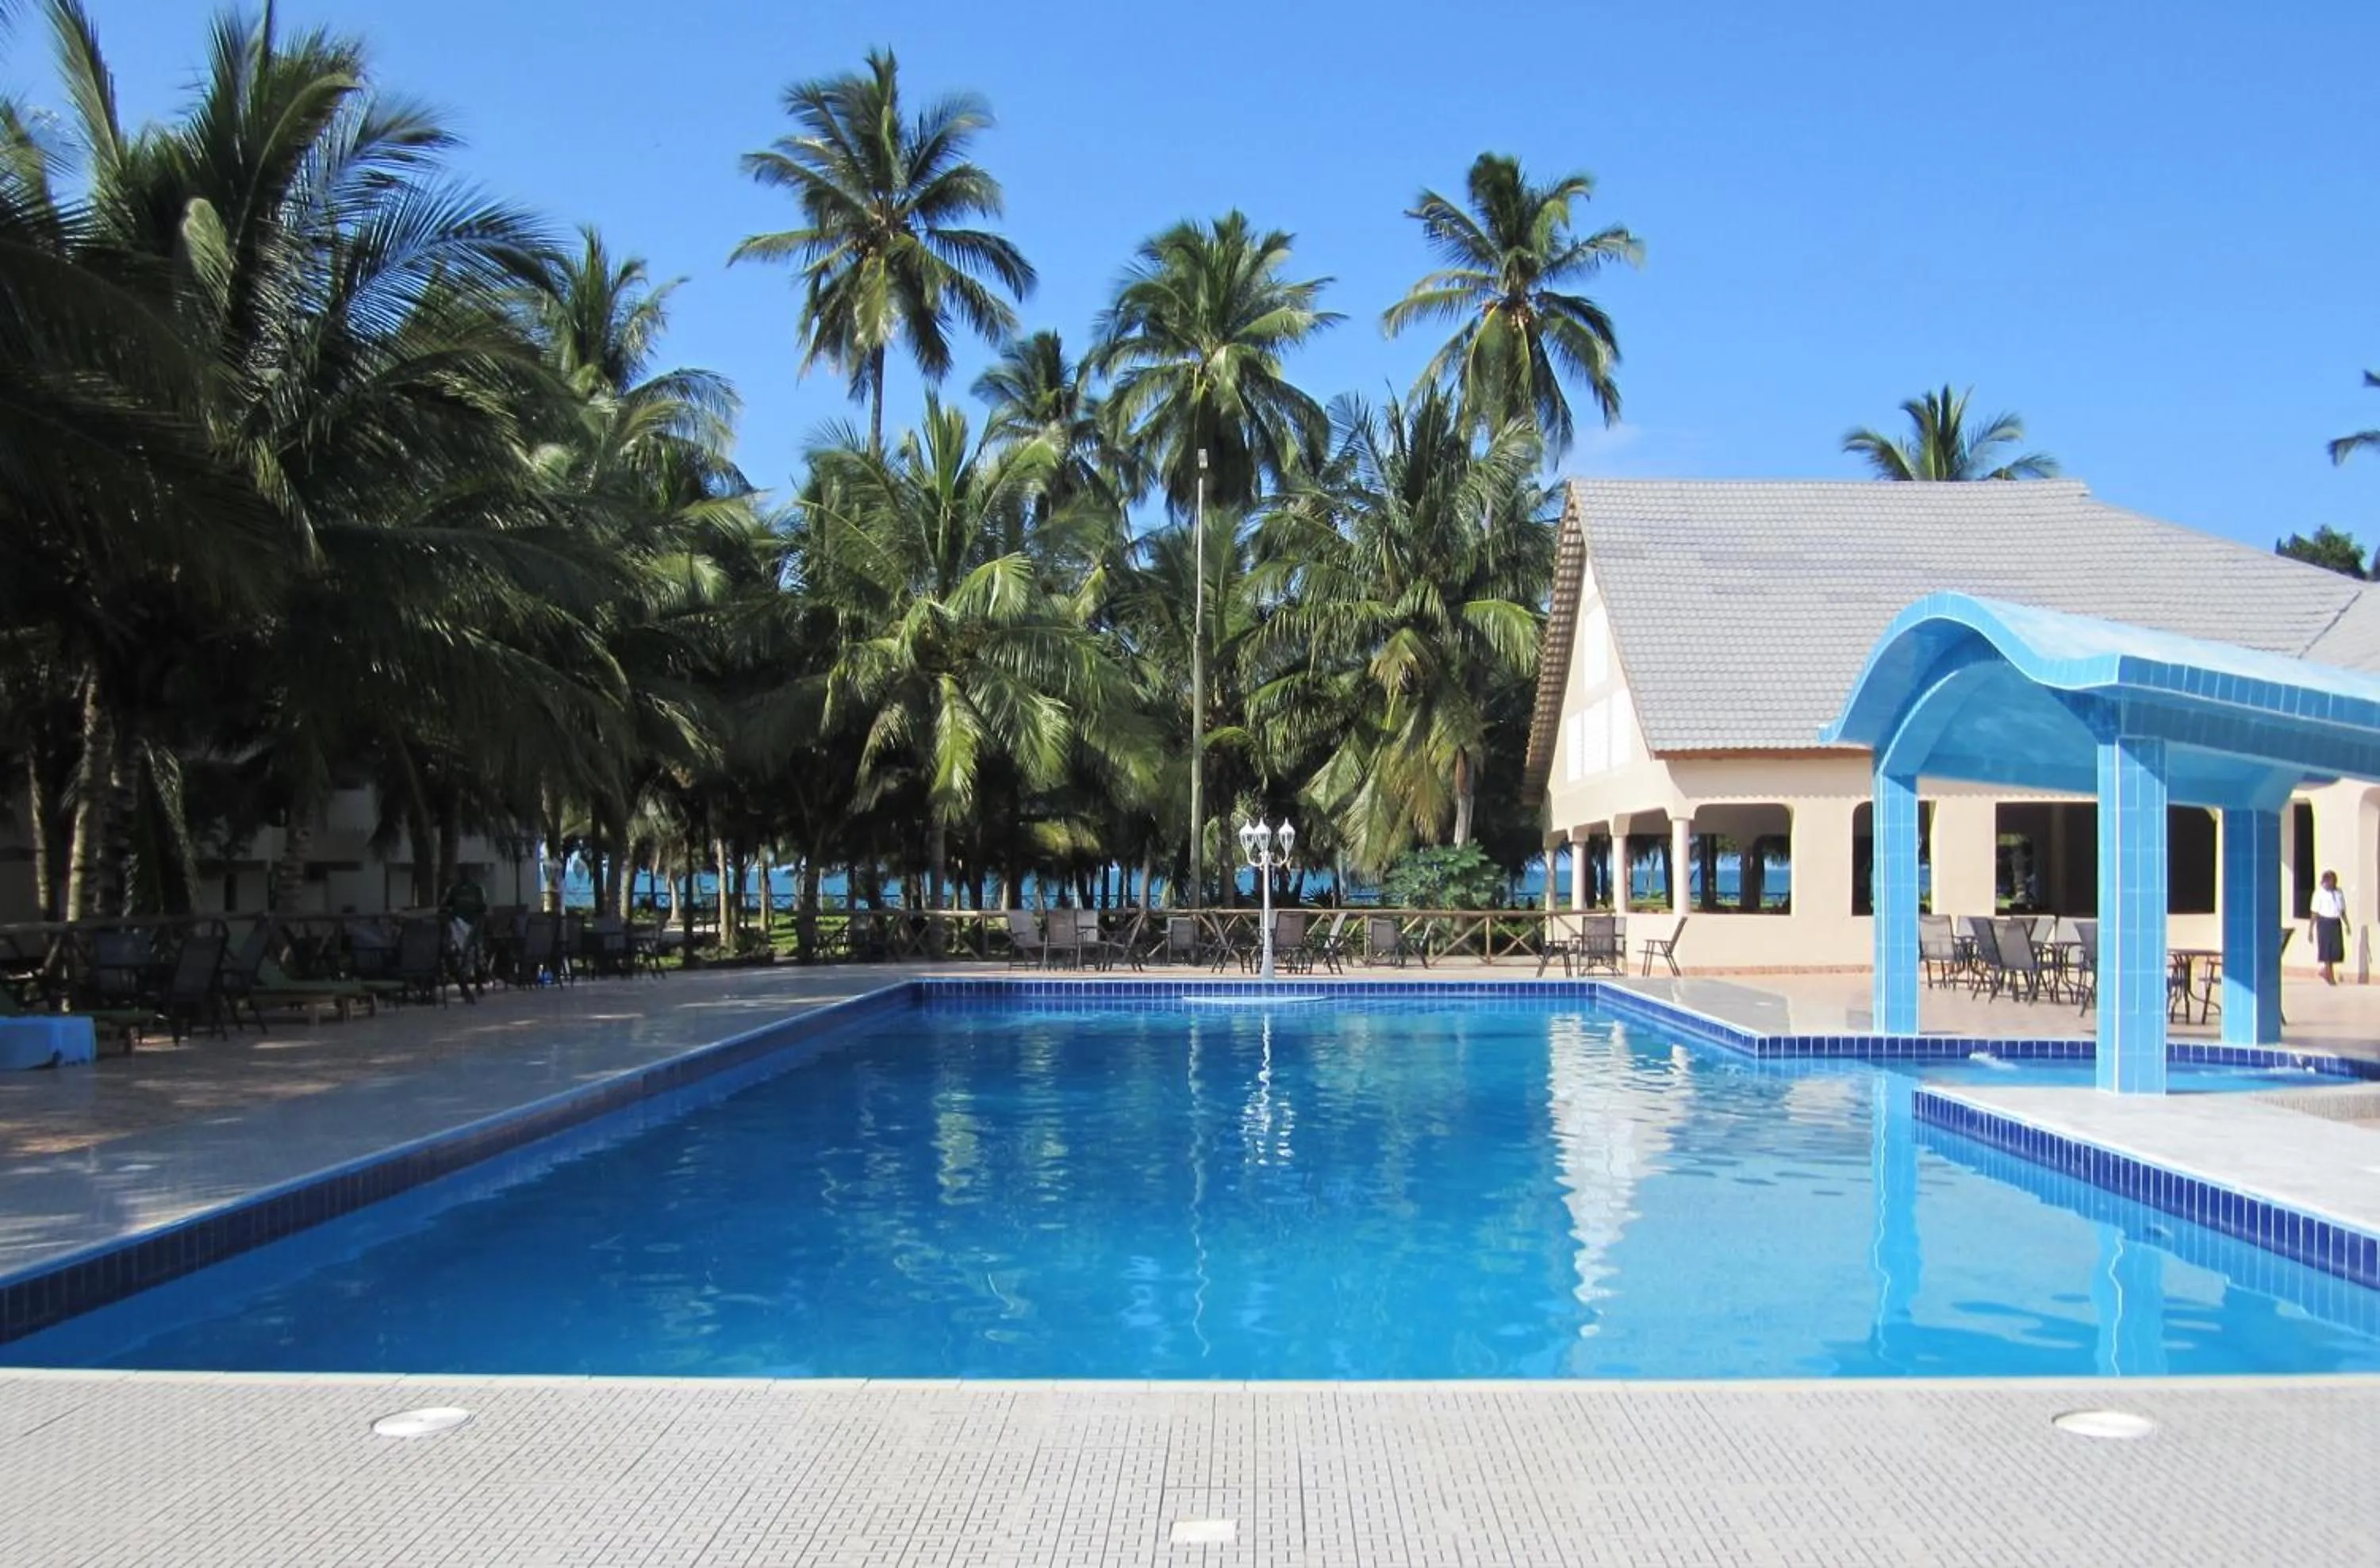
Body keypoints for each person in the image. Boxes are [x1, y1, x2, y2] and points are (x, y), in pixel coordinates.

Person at [440, 871, 489, 1002]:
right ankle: (467, 988)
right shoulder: (455, 890)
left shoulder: (476, 890)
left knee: (473, 957)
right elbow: (444, 907)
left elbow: (483, 910)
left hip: (471, 928)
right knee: (460, 957)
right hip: (459, 928)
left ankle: (476, 986)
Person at [2312, 870, 2350, 986]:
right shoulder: (2319, 893)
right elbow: (2314, 912)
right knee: (2327, 951)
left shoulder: (2339, 892)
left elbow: (2342, 910)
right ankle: (2331, 977)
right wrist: (2310, 930)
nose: (2333, 884)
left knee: (2336, 950)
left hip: (2335, 922)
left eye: (2335, 881)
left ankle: (2325, 971)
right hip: (2324, 922)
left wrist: (2347, 924)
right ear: (2326, 881)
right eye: (2331, 881)